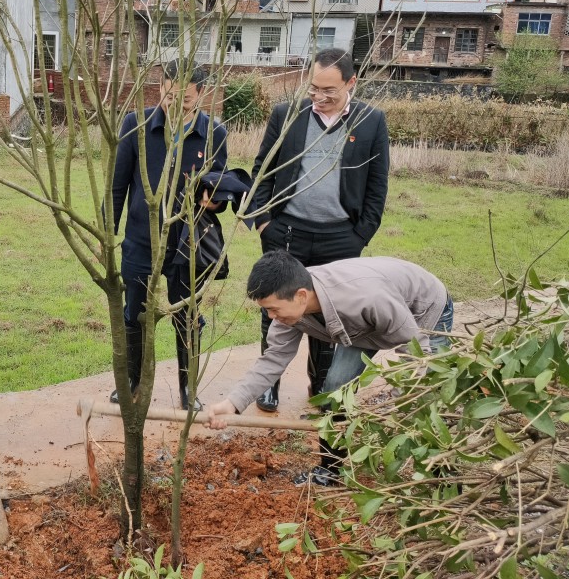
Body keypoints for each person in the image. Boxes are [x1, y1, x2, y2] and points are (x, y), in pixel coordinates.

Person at [207, 250, 454, 485]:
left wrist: (401, 405)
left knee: (428, 398)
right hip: (361, 327)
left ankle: (445, 477)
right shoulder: (289, 306)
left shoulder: (365, 297)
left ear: (301, 296)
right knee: (335, 389)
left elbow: (415, 351)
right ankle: (330, 469)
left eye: (273, 309)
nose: (271, 317)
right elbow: (273, 359)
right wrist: (233, 403)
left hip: (423, 312)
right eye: (266, 310)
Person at [249, 48, 389, 413]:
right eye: (314, 89)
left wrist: (360, 236)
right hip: (286, 232)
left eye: (330, 91)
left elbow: (377, 186)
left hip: (340, 237)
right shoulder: (287, 115)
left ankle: (321, 385)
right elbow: (262, 169)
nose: (320, 98)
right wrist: (264, 223)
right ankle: (269, 386)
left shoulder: (370, 121)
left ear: (351, 83)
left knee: (331, 315)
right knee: (276, 308)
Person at [110, 60, 228, 411]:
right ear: (160, 86)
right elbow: (117, 187)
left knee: (187, 315)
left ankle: (188, 388)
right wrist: (108, 233)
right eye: (169, 95)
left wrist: (215, 201)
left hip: (187, 243)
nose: (175, 105)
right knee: (134, 314)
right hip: (140, 240)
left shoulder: (214, 134)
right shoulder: (137, 125)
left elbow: (221, 187)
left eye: (186, 100)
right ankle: (132, 382)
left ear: (201, 95)